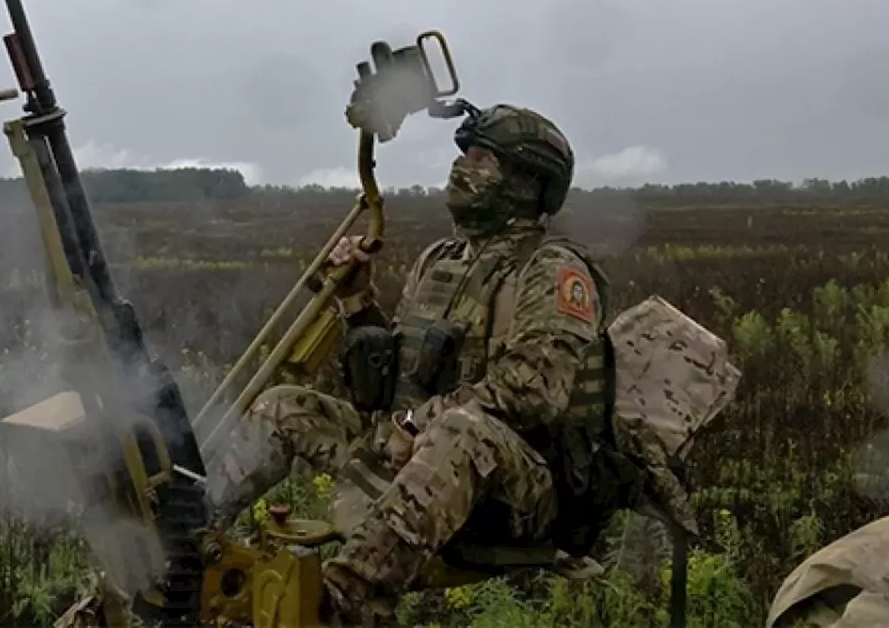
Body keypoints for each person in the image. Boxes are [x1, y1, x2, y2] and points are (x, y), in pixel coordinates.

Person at [205, 103, 664, 624]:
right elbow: (400, 375)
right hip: (417, 450)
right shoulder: (440, 259)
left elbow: (534, 392)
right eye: (463, 154)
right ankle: (187, 542)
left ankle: (339, 603)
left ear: (527, 182)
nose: (461, 167)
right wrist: (358, 301)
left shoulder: (554, 271)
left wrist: (416, 423)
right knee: (281, 406)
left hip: (517, 487)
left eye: (483, 158)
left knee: (463, 431)